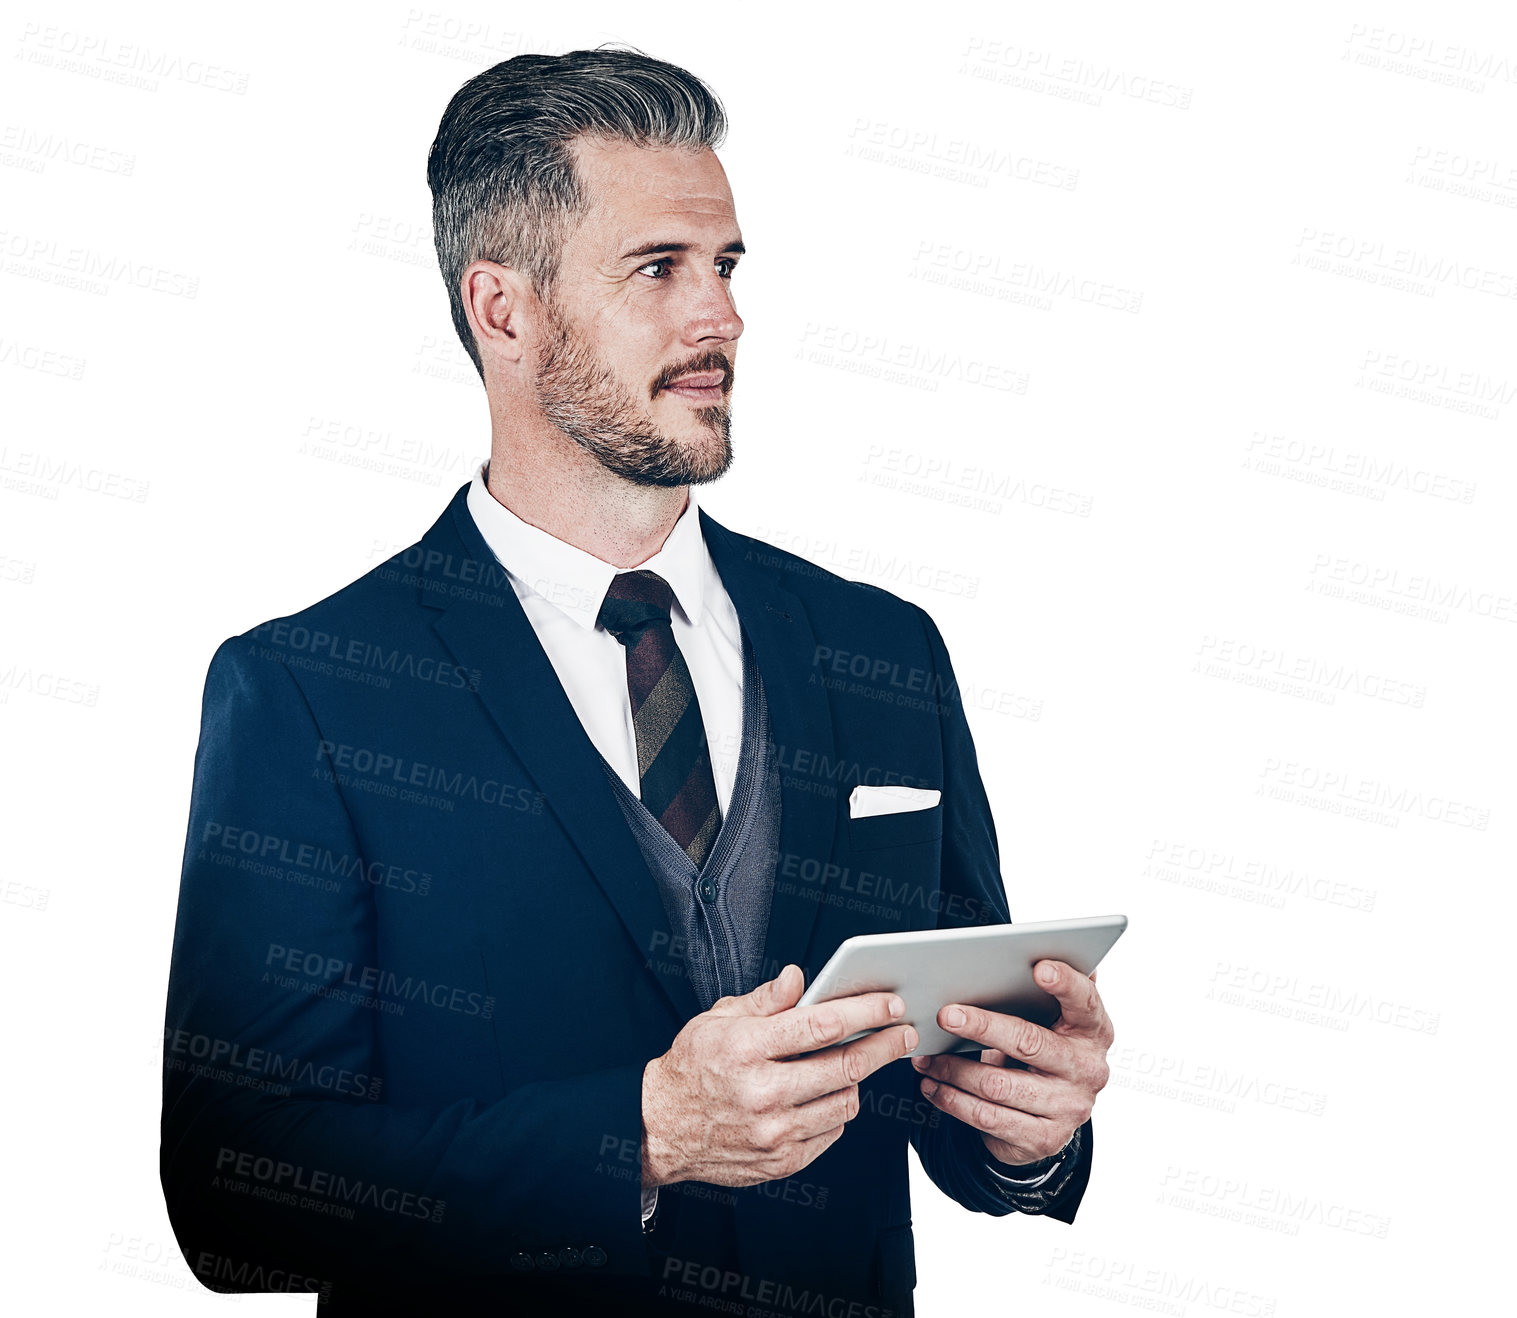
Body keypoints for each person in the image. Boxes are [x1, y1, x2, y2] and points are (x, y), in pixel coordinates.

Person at [160, 45, 1115, 1316]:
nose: (719, 317)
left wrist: (1027, 1133)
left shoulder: (882, 651)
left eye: (723, 267)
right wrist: (641, 1136)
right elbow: (236, 1193)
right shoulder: (312, 691)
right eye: (657, 269)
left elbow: (944, 1084)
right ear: (503, 310)